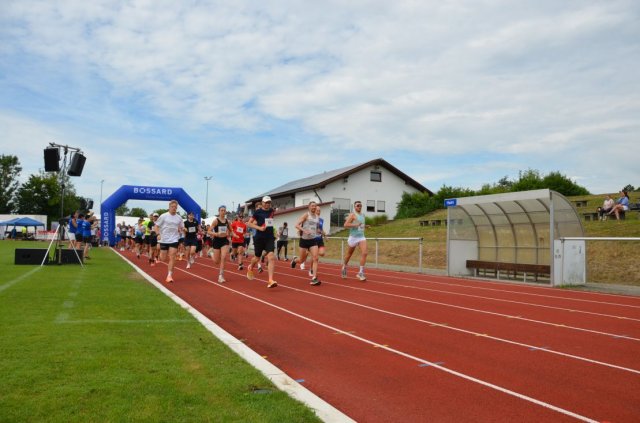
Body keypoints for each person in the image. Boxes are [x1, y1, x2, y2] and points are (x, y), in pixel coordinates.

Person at [246, 196, 278, 288]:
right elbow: (248, 223)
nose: (267, 204)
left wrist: (274, 233)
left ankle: (270, 280)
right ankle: (251, 266)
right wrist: (259, 228)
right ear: (262, 203)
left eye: (269, 202)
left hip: (269, 238)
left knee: (271, 256)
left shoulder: (272, 211)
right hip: (259, 238)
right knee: (257, 258)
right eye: (266, 202)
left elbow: (270, 222)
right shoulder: (257, 212)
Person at [290, 202, 321, 286]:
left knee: (315, 258)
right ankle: (295, 260)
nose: (314, 207)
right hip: (304, 240)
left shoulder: (317, 217)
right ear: (309, 207)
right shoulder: (306, 215)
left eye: (315, 206)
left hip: (313, 240)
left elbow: (316, 227)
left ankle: (314, 278)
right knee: (302, 260)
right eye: (312, 206)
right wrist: (304, 230)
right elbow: (296, 225)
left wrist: (318, 231)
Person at [154, 199, 185, 283]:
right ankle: (159, 256)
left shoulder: (179, 217)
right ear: (169, 207)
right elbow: (156, 226)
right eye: (172, 207)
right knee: (163, 258)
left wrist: (183, 229)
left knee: (172, 256)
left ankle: (169, 275)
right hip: (164, 239)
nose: (174, 208)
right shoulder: (163, 216)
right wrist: (158, 234)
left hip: (174, 239)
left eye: (175, 207)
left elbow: (182, 227)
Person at [341, 200, 370, 281]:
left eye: (360, 205)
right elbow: (345, 225)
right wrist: (356, 225)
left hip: (361, 237)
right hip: (353, 237)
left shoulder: (363, 215)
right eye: (357, 205)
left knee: (365, 253)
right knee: (349, 254)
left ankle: (360, 273)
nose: (359, 207)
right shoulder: (352, 215)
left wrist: (365, 226)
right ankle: (344, 266)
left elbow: (361, 225)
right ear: (354, 207)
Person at [208, 205, 232, 283]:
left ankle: (221, 276)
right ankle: (211, 253)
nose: (223, 212)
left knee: (224, 257)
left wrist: (234, 235)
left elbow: (231, 230)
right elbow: (209, 231)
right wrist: (216, 234)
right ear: (219, 211)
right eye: (221, 210)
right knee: (216, 261)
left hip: (224, 241)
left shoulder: (227, 221)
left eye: (224, 210)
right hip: (217, 241)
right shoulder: (216, 221)